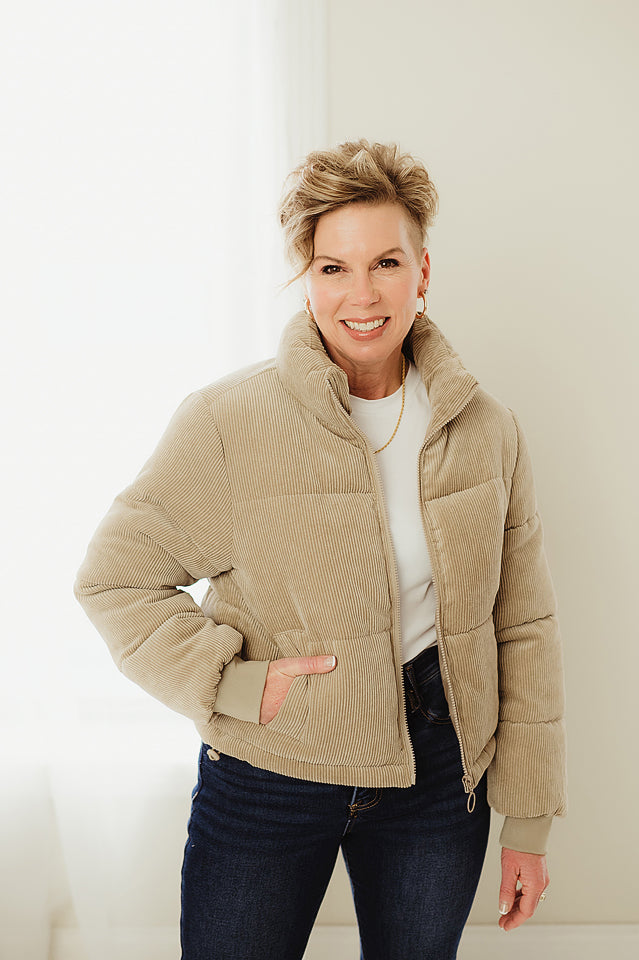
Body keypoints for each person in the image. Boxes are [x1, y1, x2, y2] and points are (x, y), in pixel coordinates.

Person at [74, 139, 567, 960]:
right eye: (333, 267)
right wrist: (234, 683)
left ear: (422, 272)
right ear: (305, 279)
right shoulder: (227, 421)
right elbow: (114, 580)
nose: (361, 294)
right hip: (268, 773)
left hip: (437, 776)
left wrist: (529, 820)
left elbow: (523, 625)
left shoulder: (486, 430)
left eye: (385, 263)